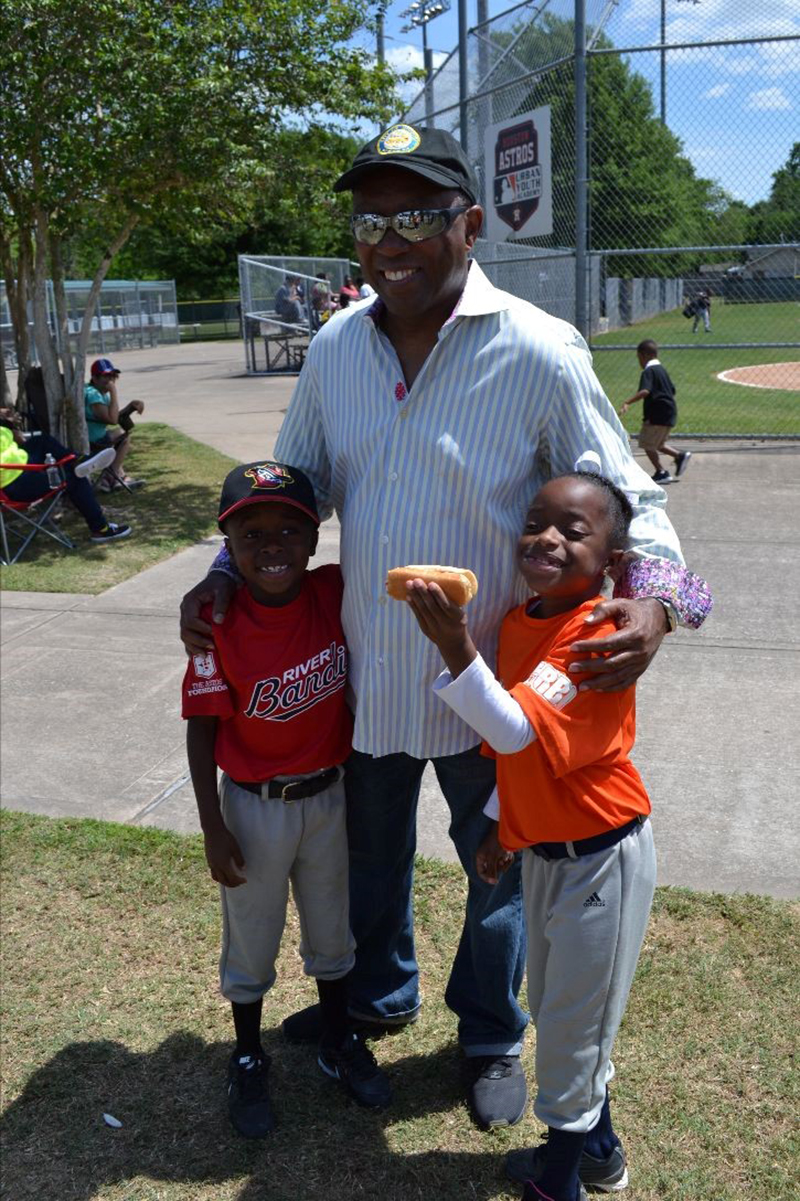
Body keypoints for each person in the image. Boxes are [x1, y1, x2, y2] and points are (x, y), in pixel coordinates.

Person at [179, 125, 711, 1156]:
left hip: (492, 686)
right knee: (370, 865)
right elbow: (293, 489)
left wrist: (654, 606)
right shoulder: (336, 345)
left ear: (468, 224)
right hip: (368, 673)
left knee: (494, 868)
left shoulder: (536, 345)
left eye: (418, 215)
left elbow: (633, 501)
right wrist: (214, 576)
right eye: (372, 218)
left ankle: (487, 1033)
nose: (391, 238)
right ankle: (377, 998)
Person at [404, 470, 656, 1201]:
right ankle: (598, 1152)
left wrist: (454, 646)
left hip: (602, 855)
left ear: (611, 560)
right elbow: (514, 753)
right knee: (553, 1006)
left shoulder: (596, 631)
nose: (547, 537)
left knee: (575, 1029)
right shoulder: (521, 623)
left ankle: (557, 1182)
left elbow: (513, 727)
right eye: (538, 522)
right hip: (545, 852)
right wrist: (496, 825)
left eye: (574, 530)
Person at [182, 459, 391, 1139]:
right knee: (252, 935)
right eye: (250, 534)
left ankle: (338, 1038)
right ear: (229, 546)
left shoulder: (334, 591)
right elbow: (202, 728)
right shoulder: (218, 622)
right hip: (253, 803)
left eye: (287, 530)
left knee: (334, 930)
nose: (271, 545)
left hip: (328, 795)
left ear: (312, 539)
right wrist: (213, 826)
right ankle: (247, 1052)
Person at [0, 407, 131, 544]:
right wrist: (9, 429)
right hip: (13, 486)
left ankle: (77, 460)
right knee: (74, 477)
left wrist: (8, 425)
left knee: (42, 441)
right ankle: (101, 529)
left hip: (21, 466)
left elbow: (13, 442)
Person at [619, 340, 691, 484]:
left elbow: (645, 391)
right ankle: (679, 456)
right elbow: (672, 390)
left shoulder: (649, 371)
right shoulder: (661, 370)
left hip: (657, 415)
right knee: (658, 444)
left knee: (646, 443)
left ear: (645, 355)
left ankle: (661, 472)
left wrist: (627, 402)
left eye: (639, 357)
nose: (639, 361)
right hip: (669, 412)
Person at [83, 358, 145, 492]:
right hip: (92, 441)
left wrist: (131, 406)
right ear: (94, 378)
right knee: (124, 436)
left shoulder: (99, 393)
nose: (110, 380)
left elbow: (112, 417)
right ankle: (112, 476)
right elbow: (112, 420)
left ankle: (116, 477)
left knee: (120, 433)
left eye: (112, 375)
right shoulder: (93, 394)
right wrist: (114, 392)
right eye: (106, 376)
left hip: (96, 437)